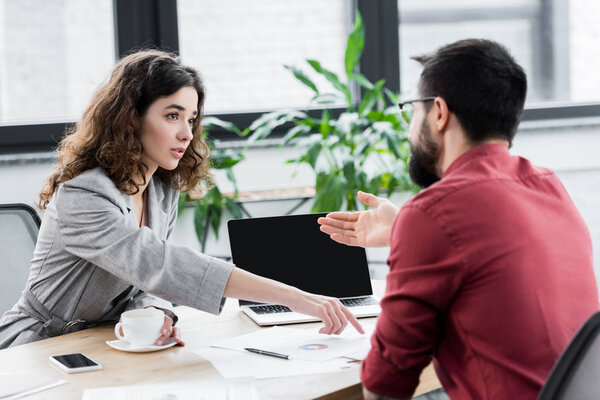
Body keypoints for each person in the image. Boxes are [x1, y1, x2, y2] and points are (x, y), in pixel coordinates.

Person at [0, 49, 363, 349]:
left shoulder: (160, 189)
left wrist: (159, 314)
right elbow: (160, 263)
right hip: (37, 345)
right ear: (130, 119)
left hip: (103, 341)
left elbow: (145, 284)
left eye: (191, 119)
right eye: (172, 115)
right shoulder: (84, 194)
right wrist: (295, 296)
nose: (186, 133)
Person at [318, 39, 598, 400]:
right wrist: (405, 224)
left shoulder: (435, 213)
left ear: (438, 112)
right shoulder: (547, 186)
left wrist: (415, 224)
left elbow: (385, 386)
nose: (408, 128)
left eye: (411, 111)